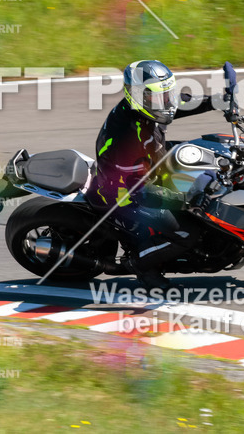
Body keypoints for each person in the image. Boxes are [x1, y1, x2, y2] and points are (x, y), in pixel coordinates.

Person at [87, 60, 233, 290]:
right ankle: (141, 265)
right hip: (123, 195)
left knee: (202, 152)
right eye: (160, 97)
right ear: (139, 96)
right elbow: (141, 192)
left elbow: (179, 103)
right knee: (187, 231)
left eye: (167, 94)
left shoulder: (145, 108)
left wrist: (217, 101)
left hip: (149, 166)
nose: (167, 102)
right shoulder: (129, 138)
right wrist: (187, 200)